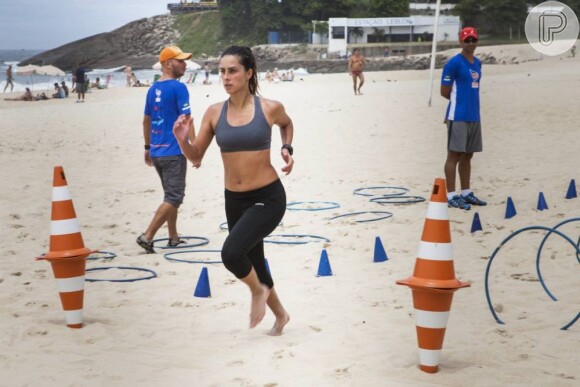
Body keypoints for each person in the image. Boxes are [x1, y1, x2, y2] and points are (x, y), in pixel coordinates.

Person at [172, 46, 293, 335]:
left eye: (233, 70)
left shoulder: (269, 108)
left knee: (231, 253)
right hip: (234, 199)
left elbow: (286, 125)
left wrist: (287, 148)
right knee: (253, 260)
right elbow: (196, 155)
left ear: (249, 73)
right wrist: (181, 139)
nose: (226, 77)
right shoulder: (214, 113)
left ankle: (256, 293)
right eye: (222, 71)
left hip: (268, 196)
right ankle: (281, 315)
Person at [136, 46, 195, 254]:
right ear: (168, 63)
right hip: (173, 152)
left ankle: (173, 237)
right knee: (174, 197)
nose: (185, 64)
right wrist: (195, 148)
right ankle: (148, 236)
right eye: (181, 61)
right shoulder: (179, 88)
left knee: (169, 196)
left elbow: (146, 120)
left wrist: (147, 146)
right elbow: (186, 119)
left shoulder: (153, 89)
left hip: (157, 152)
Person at [441, 27, 487, 210]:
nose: (470, 43)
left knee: (468, 155)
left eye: (473, 40)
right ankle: (451, 195)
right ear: (461, 42)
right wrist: (458, 103)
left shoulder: (477, 63)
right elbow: (444, 91)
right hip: (457, 115)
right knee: (454, 154)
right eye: (467, 40)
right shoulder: (453, 63)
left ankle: (466, 192)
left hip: (474, 115)